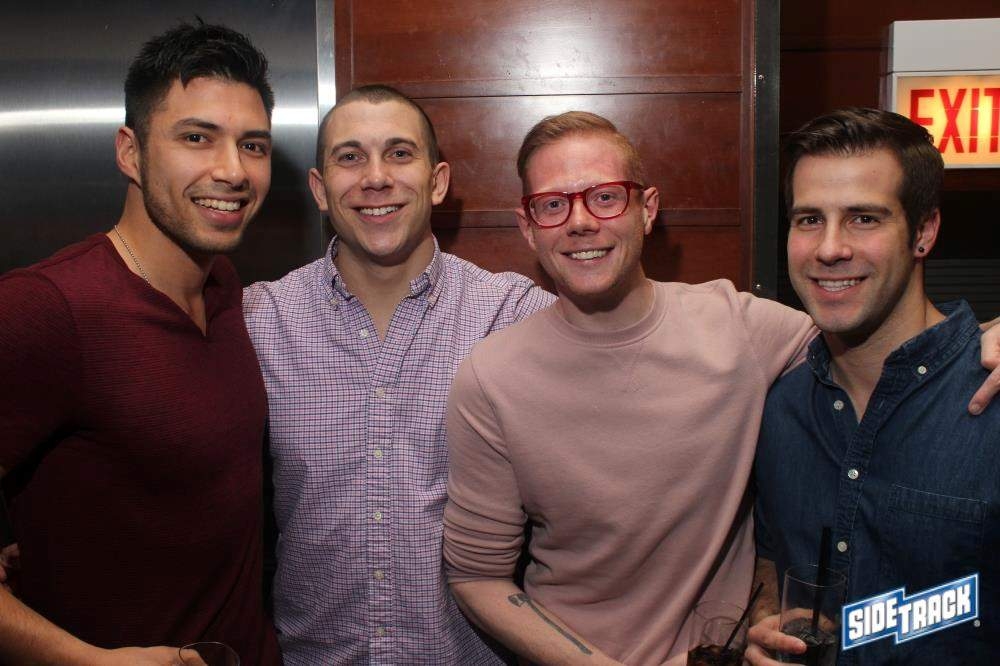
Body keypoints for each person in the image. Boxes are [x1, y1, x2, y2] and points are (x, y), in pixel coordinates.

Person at [440, 111, 821, 665]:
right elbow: (477, 576)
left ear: (648, 209)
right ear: (528, 227)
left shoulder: (739, 329)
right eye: (553, 204)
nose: (580, 222)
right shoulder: (492, 377)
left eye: (605, 198)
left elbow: (880, 358)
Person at [243, 85, 555, 664]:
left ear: (437, 181)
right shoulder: (261, 319)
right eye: (350, 157)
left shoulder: (511, 314)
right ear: (320, 189)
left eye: (399, 153)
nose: (376, 178)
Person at [0, 22, 280, 665]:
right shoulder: (47, 308)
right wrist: (89, 662)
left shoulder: (225, 288)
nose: (232, 170)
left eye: (253, 145)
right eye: (196, 137)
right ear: (130, 152)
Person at [747, 108, 1000, 665]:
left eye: (863, 218)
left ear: (923, 232)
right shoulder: (781, 408)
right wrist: (770, 623)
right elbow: (771, 555)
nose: (829, 248)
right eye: (809, 219)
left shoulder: (990, 393)